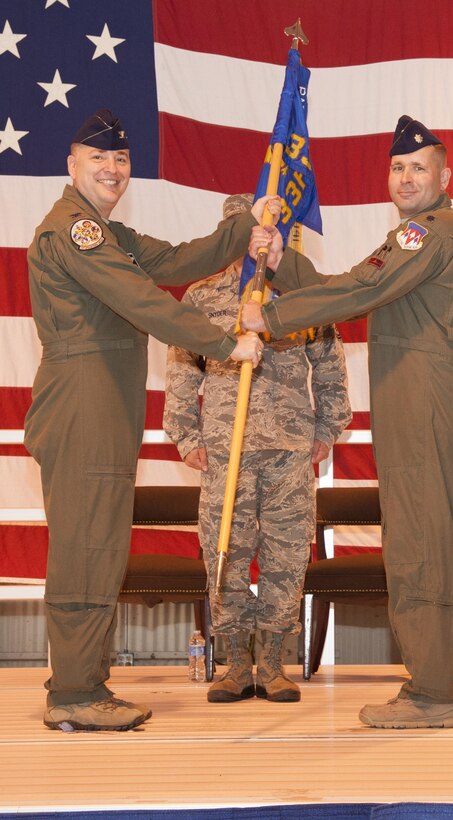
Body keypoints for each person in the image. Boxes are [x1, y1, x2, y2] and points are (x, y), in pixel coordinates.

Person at [24, 108, 277, 732]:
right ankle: (77, 694)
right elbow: (141, 299)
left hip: (102, 404)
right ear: (71, 165)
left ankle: (81, 682)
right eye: (99, 158)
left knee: (99, 545)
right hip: (83, 402)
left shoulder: (107, 234)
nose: (112, 169)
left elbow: (175, 262)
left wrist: (243, 228)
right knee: (87, 548)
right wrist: (223, 343)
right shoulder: (75, 232)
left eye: (122, 160)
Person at [241, 115, 453, 729]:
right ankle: (430, 685)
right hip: (414, 399)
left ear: (445, 177)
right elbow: (350, 285)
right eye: (398, 167)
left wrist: (272, 315)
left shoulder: (430, 233)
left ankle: (433, 694)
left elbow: (356, 292)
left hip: (424, 400)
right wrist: (282, 260)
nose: (405, 177)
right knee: (416, 538)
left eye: (418, 168)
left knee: (421, 544)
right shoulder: (413, 237)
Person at [164, 193, 351, 703]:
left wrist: (327, 429)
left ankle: (271, 664)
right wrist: (186, 436)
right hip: (226, 453)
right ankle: (234, 665)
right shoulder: (202, 298)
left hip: (290, 451)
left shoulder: (300, 296)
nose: (255, 240)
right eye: (247, 230)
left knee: (286, 557)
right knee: (223, 554)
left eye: (265, 230)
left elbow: (330, 367)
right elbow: (182, 372)